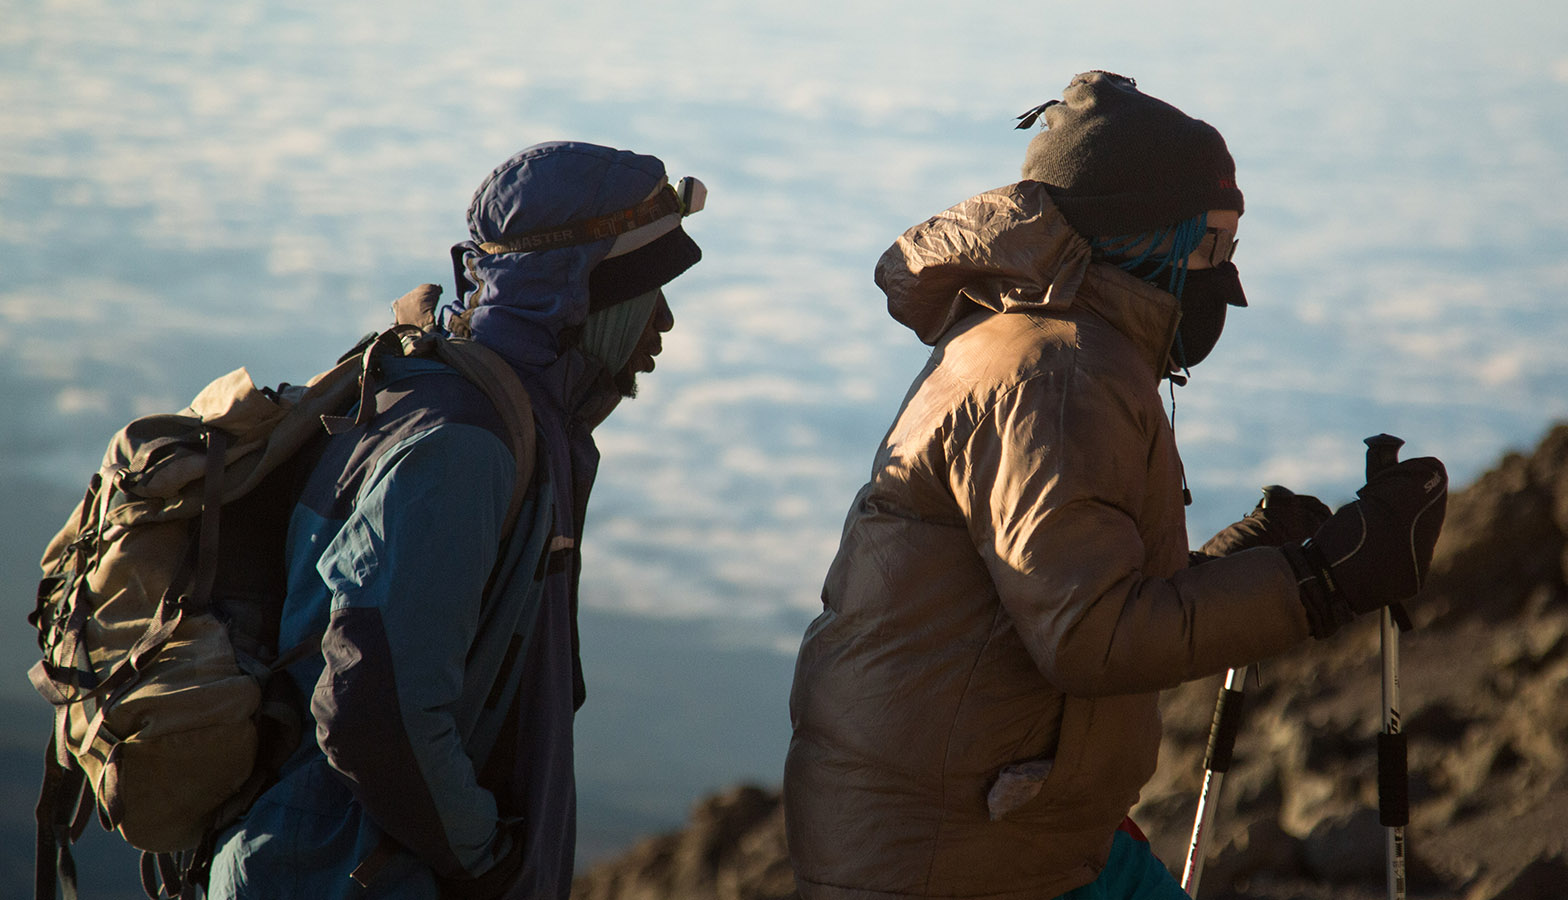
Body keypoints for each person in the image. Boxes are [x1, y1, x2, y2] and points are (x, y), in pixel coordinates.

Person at [784, 71, 1448, 900]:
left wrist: (1239, 563)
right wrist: (1320, 581)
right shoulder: (1056, 376)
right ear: (1140, 236)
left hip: (990, 824)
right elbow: (1091, 636)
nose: (1228, 280)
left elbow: (1065, 596)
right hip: (957, 859)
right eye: (1211, 247)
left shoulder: (1045, 344)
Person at [209, 141, 705, 899]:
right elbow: (373, 710)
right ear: (580, 295)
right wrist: (486, 862)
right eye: (648, 291)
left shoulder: (480, 409)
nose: (663, 321)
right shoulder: (464, 448)